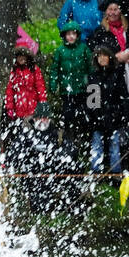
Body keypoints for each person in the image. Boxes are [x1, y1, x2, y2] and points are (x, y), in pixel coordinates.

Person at [48, 21, 92, 157]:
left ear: (77, 35)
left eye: (73, 34)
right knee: (68, 117)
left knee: (84, 117)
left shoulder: (84, 49)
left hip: (82, 90)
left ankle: (83, 143)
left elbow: (90, 68)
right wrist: (53, 83)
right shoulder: (60, 51)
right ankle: (69, 143)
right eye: (68, 34)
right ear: (64, 36)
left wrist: (91, 84)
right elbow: (54, 69)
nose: (71, 37)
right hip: (66, 91)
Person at [86, 44, 129, 174]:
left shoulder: (117, 75)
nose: (102, 58)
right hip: (98, 117)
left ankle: (116, 172)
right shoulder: (93, 76)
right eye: (99, 56)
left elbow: (123, 97)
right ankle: (96, 172)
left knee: (115, 146)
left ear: (109, 57)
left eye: (104, 55)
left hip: (114, 116)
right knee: (97, 145)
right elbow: (91, 101)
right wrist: (93, 117)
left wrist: (123, 114)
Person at [4, 45, 47, 125]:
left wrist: (42, 104)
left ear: (27, 56)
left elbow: (40, 88)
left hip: (33, 109)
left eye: (23, 55)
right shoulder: (13, 72)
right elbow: (9, 91)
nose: (21, 58)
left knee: (34, 133)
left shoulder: (34, 69)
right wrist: (9, 107)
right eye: (19, 56)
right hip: (19, 110)